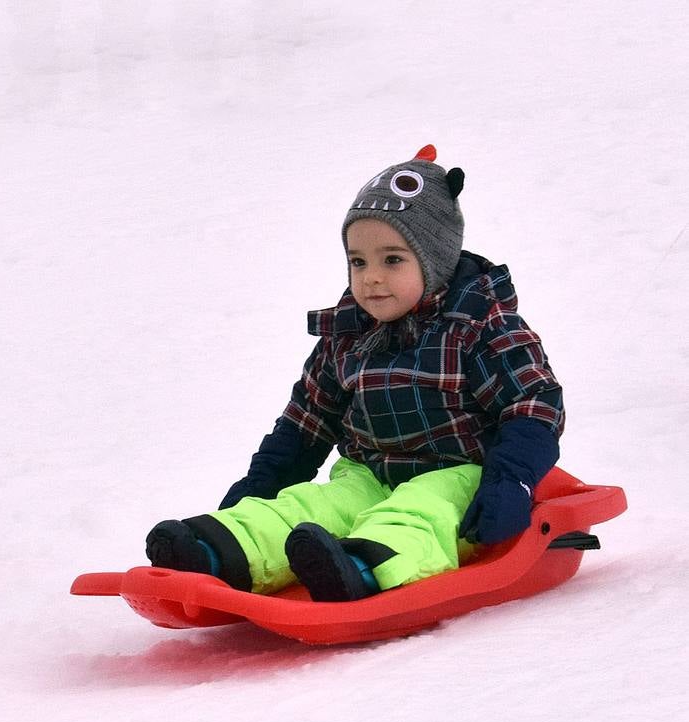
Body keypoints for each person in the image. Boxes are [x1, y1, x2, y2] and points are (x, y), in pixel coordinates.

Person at [145, 145, 564, 602]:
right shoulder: (347, 335)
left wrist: (511, 481)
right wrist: (259, 487)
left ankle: (364, 566)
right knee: (313, 506)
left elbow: (533, 406)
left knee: (419, 512)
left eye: (393, 260)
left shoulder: (480, 327)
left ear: (436, 262)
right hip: (368, 473)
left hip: (461, 477)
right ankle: (222, 550)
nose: (371, 279)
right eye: (358, 261)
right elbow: (306, 421)